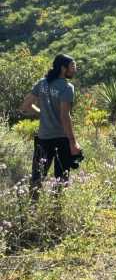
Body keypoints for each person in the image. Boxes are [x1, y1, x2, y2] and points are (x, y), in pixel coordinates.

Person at [20, 54, 80, 198]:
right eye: (72, 66)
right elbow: (65, 116)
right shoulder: (67, 87)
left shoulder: (42, 83)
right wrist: (73, 142)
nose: (75, 70)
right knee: (61, 178)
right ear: (63, 68)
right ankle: (55, 212)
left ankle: (32, 211)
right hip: (61, 140)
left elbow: (25, 106)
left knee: (37, 177)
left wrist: (42, 113)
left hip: (43, 139)